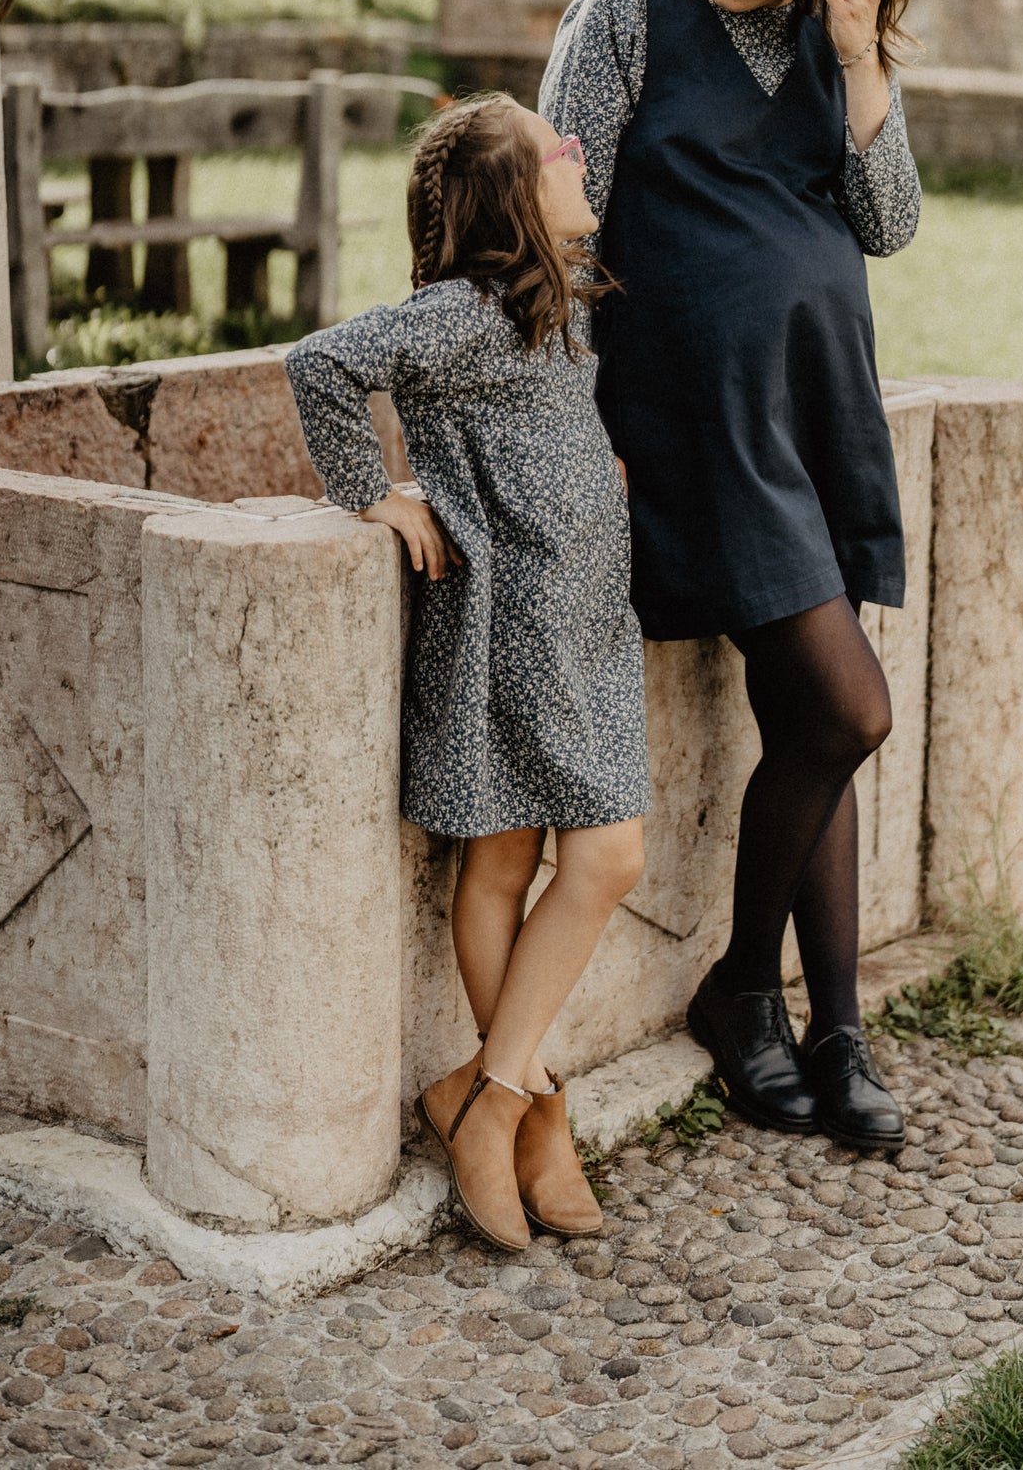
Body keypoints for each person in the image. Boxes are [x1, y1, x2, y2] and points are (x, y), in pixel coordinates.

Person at [540, 0, 922, 1151]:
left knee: (808, 721)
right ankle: (744, 993)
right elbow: (556, 234)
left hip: (810, 418)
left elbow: (887, 223)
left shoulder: (834, 43)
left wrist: (860, 53)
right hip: (692, 424)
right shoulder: (627, 18)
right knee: (847, 709)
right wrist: (578, 427)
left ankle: (829, 1029)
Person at [284, 95, 649, 1252]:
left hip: (580, 621)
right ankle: (521, 1107)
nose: (577, 150)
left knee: (530, 857)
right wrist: (375, 490)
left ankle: (492, 1102)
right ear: (512, 199)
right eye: (557, 149)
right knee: (580, 854)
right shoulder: (463, 313)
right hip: (513, 624)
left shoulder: (556, 302)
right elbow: (322, 361)